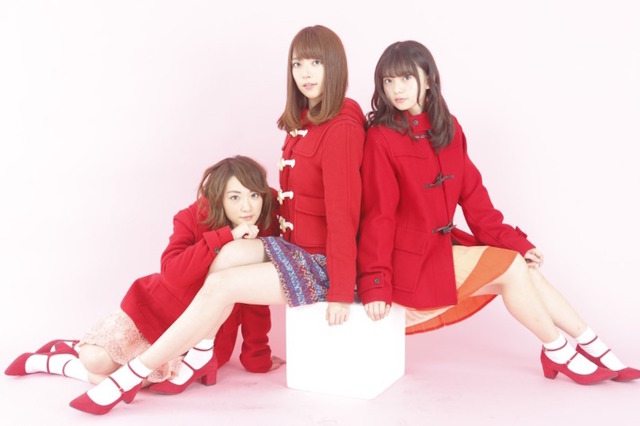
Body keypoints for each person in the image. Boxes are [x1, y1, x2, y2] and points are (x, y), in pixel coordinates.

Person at [65, 24, 366, 415]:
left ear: (334, 66)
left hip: (322, 264)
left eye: (316, 63)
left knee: (224, 285)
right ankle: (199, 350)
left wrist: (341, 290)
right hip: (296, 249)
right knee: (228, 256)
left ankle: (131, 376)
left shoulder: (341, 127)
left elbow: (344, 214)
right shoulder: (307, 121)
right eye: (297, 64)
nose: (305, 73)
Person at [356, 40, 640, 385]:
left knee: (525, 267)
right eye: (388, 81)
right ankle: (557, 350)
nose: (396, 89)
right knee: (511, 267)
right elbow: (378, 217)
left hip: (441, 251)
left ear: (428, 79)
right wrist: (374, 283)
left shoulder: (449, 129)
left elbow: (477, 203)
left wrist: (517, 243)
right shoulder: (382, 137)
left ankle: (594, 346)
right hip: (409, 263)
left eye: (405, 78)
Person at [5, 155, 284, 393]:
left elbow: (253, 297)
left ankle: (61, 364)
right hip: (153, 310)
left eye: (254, 195)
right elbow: (173, 273)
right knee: (94, 360)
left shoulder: (263, 228)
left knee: (134, 382)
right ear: (219, 198)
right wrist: (224, 237)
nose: (247, 207)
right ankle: (59, 358)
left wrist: (256, 357)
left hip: (197, 336)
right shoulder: (192, 217)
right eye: (235, 197)